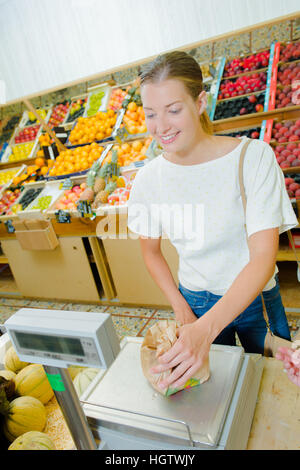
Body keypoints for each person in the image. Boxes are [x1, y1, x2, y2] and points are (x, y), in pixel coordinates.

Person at [127, 51, 298, 391]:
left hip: (254, 300)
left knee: (277, 387)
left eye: (174, 110)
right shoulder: (148, 179)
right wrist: (184, 310)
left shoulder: (253, 158)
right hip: (193, 300)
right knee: (212, 393)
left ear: (200, 102)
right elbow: (151, 253)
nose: (161, 127)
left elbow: (263, 259)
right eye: (150, 114)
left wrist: (205, 330)